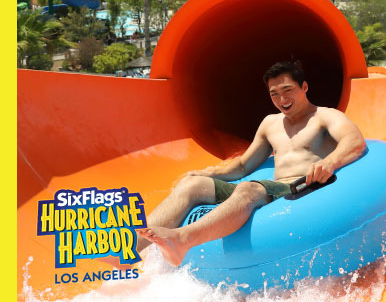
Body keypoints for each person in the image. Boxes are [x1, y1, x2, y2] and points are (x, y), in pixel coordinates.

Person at [129, 61, 367, 266]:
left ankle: (182, 240)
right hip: (271, 187)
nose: (282, 99)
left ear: (304, 87)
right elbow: (243, 166)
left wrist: (329, 162)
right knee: (192, 185)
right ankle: (129, 250)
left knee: (249, 188)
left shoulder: (324, 116)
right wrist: (205, 173)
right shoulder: (270, 123)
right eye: (274, 93)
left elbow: (355, 141)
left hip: (299, 187)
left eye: (288, 90)